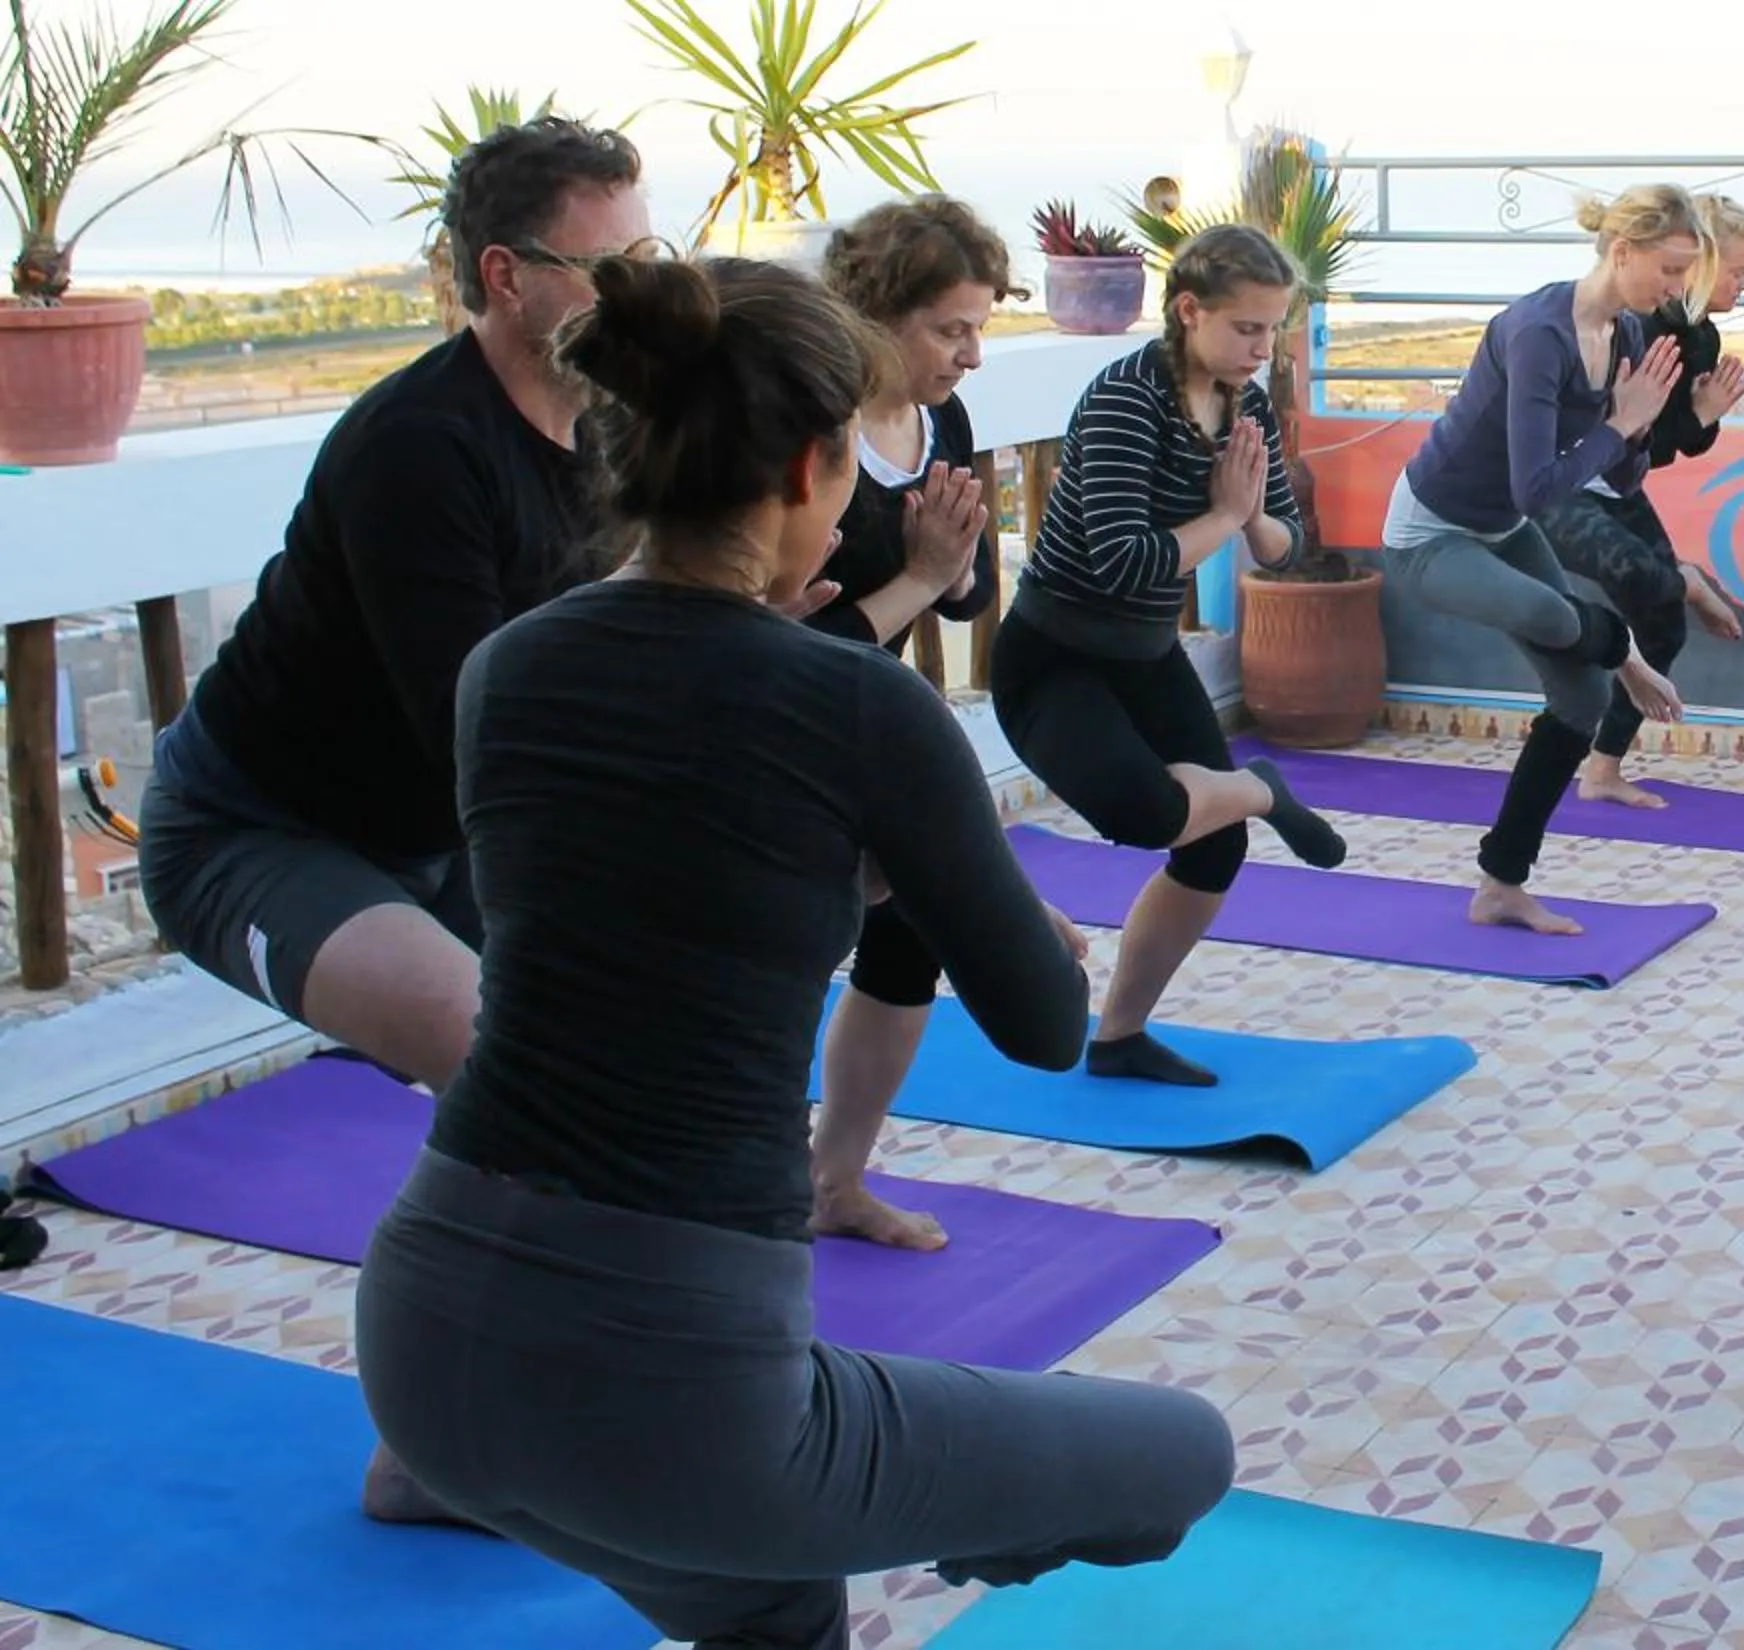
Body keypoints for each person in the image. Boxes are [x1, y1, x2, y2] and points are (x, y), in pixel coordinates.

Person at [351, 253, 1236, 1650]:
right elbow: (1046, 1027)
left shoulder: (507, 668)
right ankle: (983, 1528)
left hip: (421, 1350)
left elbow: (650, 868)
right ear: (821, 461)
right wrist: (948, 877)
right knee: (1185, 1454)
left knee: (772, 1606)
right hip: (688, 1393)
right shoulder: (856, 709)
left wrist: (857, 854)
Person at [129, 116, 683, 1527]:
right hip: (254, 827)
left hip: (443, 828)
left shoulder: (614, 434)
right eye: (605, 268)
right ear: (506, 276)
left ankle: (567, 1383)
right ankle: (423, 1451)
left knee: (607, 1075)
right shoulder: (416, 449)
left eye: (650, 260)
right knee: (498, 1055)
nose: (637, 296)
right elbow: (484, 734)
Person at [990, 222, 1347, 1087]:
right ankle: (1261, 790)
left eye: (1273, 330)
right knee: (1144, 814)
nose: (1263, 350)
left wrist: (1247, 515)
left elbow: (1280, 545)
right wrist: (1225, 518)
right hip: (1055, 656)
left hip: (1146, 654)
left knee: (1213, 847)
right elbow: (1122, 560)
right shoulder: (1125, 400)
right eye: (1247, 329)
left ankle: (1119, 1035)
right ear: (1188, 311)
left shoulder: (1246, 403)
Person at [1382, 184, 1711, 932]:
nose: (1678, 289)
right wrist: (1620, 423)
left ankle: (1501, 883)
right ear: (1621, 251)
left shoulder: (1628, 336)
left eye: (1685, 273)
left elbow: (1613, 476)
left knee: (1580, 703)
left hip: (1499, 527)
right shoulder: (1539, 333)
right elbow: (1537, 489)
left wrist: (1638, 431)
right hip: (1431, 533)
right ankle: (1623, 650)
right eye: (1669, 268)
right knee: (1546, 610)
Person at [804, 195, 1010, 1248]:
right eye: (949, 328)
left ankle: (834, 1182)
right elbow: (777, 650)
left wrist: (952, 567)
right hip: (786, 735)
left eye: (981, 325)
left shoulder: (946, 424)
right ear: (873, 314)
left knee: (904, 948)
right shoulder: (805, 427)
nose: (972, 354)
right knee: (792, 950)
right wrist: (925, 573)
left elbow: (964, 600)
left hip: (879, 718)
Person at [1530, 192, 1744, 806]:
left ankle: (1602, 769)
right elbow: (1623, 433)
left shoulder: (1701, 340)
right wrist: (1685, 423)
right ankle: (1685, 578)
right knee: (1647, 578)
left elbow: (1662, 446)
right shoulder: (1643, 323)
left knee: (1660, 626)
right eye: (1736, 270)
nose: (1743, 284)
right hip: (1563, 484)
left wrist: (1704, 417)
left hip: (1617, 484)